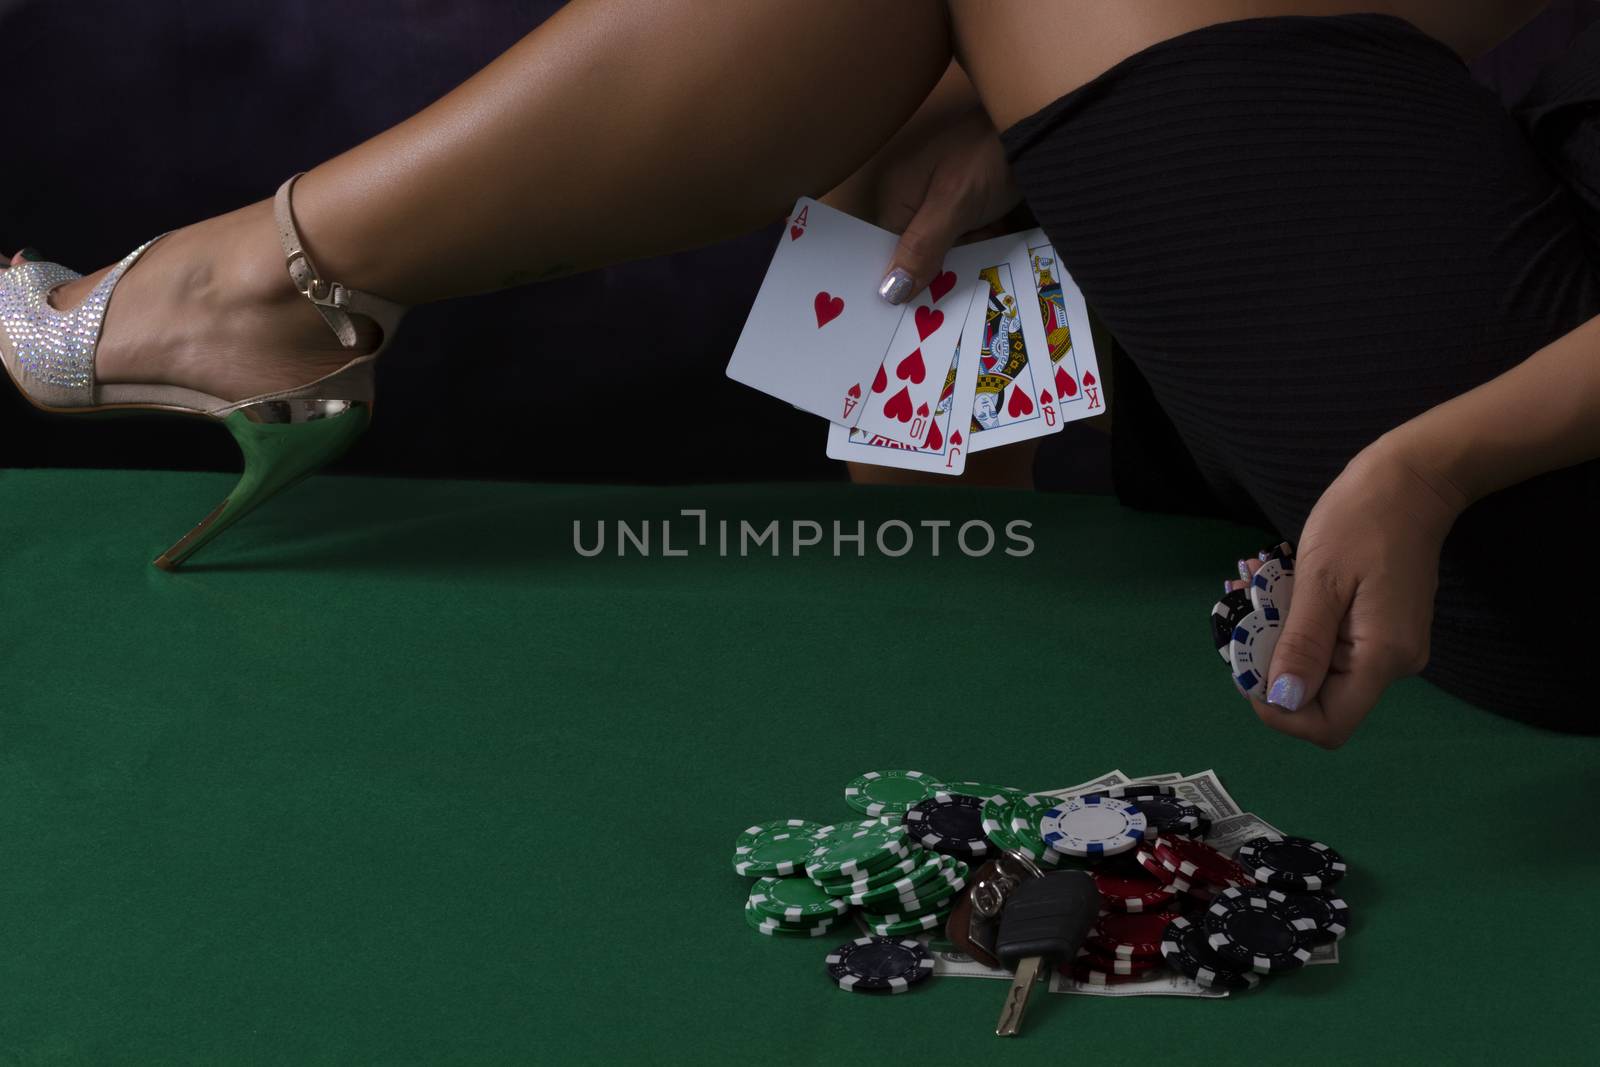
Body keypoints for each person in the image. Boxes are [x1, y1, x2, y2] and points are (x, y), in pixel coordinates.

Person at [3, 1, 1596, 748]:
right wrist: (1009, 73)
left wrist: (1431, 465)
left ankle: (265, 288)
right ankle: (277, 285)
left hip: (1530, 476)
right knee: (955, 98)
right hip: (1528, 276)